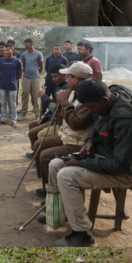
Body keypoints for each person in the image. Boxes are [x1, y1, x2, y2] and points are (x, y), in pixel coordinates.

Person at [45, 79, 132, 247]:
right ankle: (60, 212)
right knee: (56, 164)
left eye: (91, 108)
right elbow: (97, 131)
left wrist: (82, 163)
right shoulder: (104, 106)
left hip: (126, 172)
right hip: (107, 157)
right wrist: (91, 142)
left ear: (104, 100)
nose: (90, 112)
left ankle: (83, 235)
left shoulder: (129, 123)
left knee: (66, 176)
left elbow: (122, 166)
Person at [30, 62, 95, 197]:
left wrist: (64, 102)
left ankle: (54, 194)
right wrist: (60, 107)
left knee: (45, 156)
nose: (66, 80)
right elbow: (63, 115)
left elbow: (76, 123)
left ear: (76, 78)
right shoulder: (73, 92)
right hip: (66, 135)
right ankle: (47, 187)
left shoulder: (88, 96)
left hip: (77, 142)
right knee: (38, 145)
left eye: (68, 77)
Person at [26, 63, 69, 161]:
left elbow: (56, 108)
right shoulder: (58, 86)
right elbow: (54, 105)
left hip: (59, 122)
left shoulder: (66, 89)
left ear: (64, 75)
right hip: (52, 117)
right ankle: (36, 152)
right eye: (52, 76)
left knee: (34, 133)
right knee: (32, 125)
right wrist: (45, 115)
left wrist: (43, 96)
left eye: (56, 76)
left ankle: (40, 156)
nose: (53, 79)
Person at [0, 41, 24, 127]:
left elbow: (20, 73)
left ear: (12, 51)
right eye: (5, 50)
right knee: (3, 103)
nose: (6, 52)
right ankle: (4, 119)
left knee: (13, 104)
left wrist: (14, 80)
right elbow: (0, 71)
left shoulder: (17, 61)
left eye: (8, 50)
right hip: (3, 85)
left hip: (13, 86)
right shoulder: (1, 60)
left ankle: (13, 120)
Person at [19, 38, 44, 120]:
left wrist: (36, 73)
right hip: (26, 77)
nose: (25, 46)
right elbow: (23, 66)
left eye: (26, 44)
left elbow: (41, 66)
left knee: (35, 96)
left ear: (31, 44)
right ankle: (23, 114)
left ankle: (37, 114)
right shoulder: (24, 55)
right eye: (25, 44)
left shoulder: (38, 54)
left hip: (35, 78)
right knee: (25, 95)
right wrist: (27, 72)